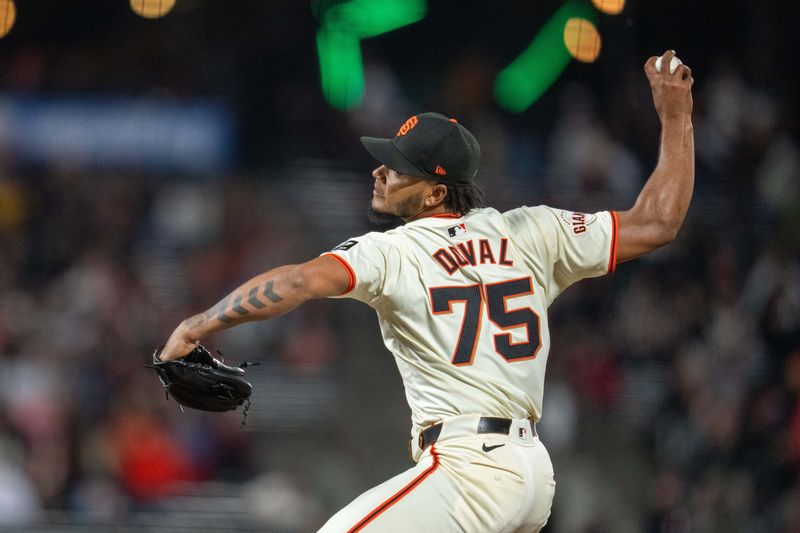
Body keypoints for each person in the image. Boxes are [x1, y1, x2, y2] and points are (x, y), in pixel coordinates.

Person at [159, 50, 694, 532]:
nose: (380, 171)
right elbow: (657, 223)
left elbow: (298, 281)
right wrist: (676, 117)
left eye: (398, 167)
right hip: (531, 472)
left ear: (438, 191)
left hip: (468, 470)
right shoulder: (533, 231)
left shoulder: (395, 252)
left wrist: (198, 324)